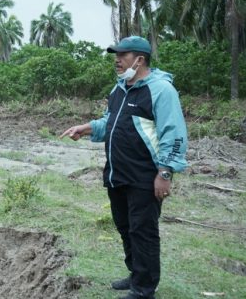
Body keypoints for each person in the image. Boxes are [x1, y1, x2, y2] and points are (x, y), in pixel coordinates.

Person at [60, 36, 187, 299]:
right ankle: (135, 274)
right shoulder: (119, 89)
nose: (117, 60)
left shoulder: (162, 91)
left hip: (144, 175)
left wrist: (165, 173)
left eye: (123, 55)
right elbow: (111, 122)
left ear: (139, 59)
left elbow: (173, 134)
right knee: (125, 226)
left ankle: (144, 289)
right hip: (117, 172)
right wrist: (86, 129)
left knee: (143, 231)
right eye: (115, 55)